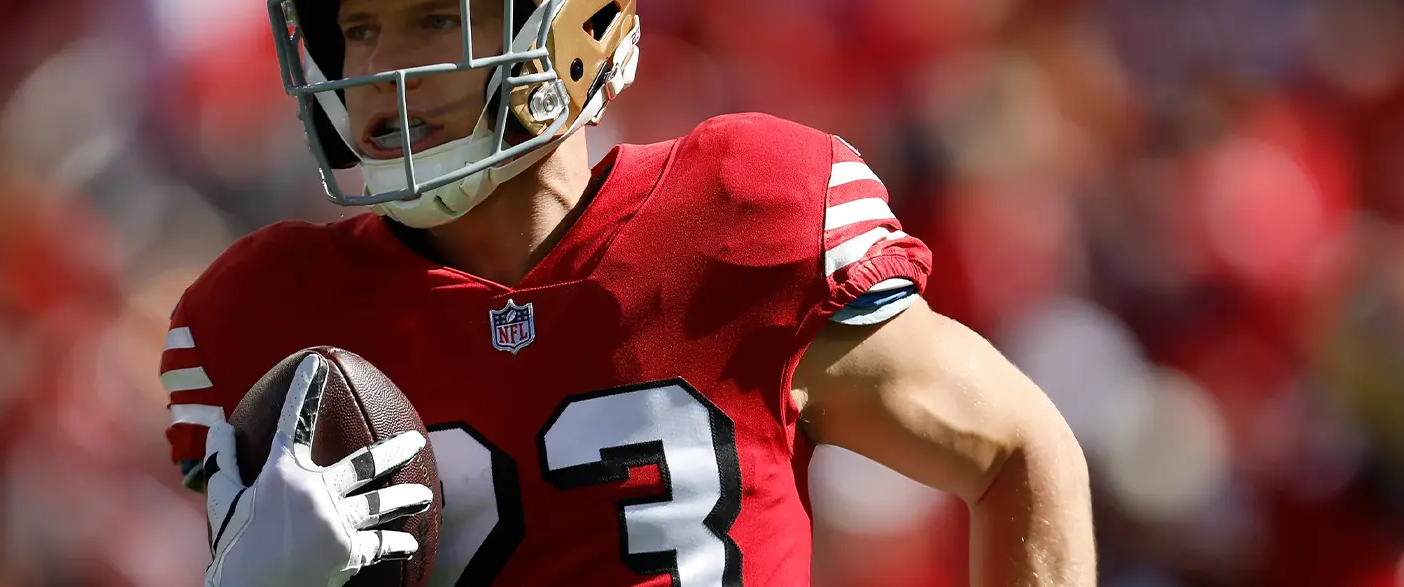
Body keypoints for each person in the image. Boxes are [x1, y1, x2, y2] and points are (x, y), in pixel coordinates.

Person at [158, 0, 1096, 585]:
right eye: (358, 28)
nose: (382, 68)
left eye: (435, 18)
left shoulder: (742, 212)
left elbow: (1017, 449)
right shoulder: (265, 313)